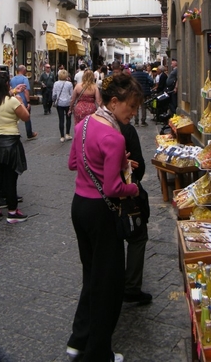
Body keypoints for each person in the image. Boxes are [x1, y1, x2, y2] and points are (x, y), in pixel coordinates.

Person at [66, 73, 143, 362]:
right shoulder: (113, 135)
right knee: (108, 284)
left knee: (91, 275)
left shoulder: (84, 124)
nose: (133, 113)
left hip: (79, 207)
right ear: (114, 101)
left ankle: (78, 339)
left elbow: (73, 162)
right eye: (131, 107)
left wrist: (111, 162)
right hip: (102, 212)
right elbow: (113, 188)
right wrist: (133, 187)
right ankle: (98, 353)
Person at [0, 71, 30, 224]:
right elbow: (26, 116)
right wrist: (21, 101)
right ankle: (12, 212)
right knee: (10, 178)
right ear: (7, 84)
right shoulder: (12, 101)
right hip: (10, 143)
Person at [119, 121, 152, 305]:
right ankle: (131, 287)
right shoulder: (125, 129)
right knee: (138, 237)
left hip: (95, 198)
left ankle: (112, 284)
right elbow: (139, 165)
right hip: (125, 194)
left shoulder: (90, 125)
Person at [10, 65, 38, 141]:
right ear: (23, 70)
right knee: (27, 117)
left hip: (14, 100)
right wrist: (28, 102)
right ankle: (29, 133)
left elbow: (11, 89)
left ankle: (16, 132)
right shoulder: (24, 79)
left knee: (14, 118)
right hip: (23, 101)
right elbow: (26, 91)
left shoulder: (12, 79)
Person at [52, 69, 74, 143]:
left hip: (59, 103)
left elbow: (54, 94)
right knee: (68, 118)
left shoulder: (56, 83)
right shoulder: (69, 84)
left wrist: (54, 100)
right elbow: (72, 94)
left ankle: (62, 136)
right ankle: (67, 134)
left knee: (61, 119)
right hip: (67, 103)